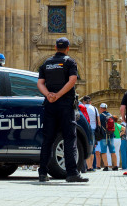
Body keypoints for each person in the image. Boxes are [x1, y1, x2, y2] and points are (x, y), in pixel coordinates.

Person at [37, 37, 88, 183]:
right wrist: (59, 95)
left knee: (48, 139)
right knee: (69, 138)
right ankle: (72, 173)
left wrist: (49, 95)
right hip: (65, 104)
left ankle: (42, 173)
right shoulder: (70, 62)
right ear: (67, 48)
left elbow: (40, 83)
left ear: (55, 48)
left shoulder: (46, 63)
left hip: (50, 104)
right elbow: (72, 80)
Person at [82, 96, 99, 171]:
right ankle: (91, 166)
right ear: (90, 101)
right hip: (93, 129)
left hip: (84, 128)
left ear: (84, 101)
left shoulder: (82, 107)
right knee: (92, 148)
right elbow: (98, 121)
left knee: (84, 147)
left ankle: (86, 166)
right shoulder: (95, 108)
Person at [98, 104, 118, 171]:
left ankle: (106, 166)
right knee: (113, 151)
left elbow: (99, 125)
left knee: (103, 151)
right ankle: (115, 166)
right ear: (106, 108)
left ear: (101, 108)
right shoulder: (111, 115)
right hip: (111, 135)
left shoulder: (100, 116)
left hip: (103, 136)